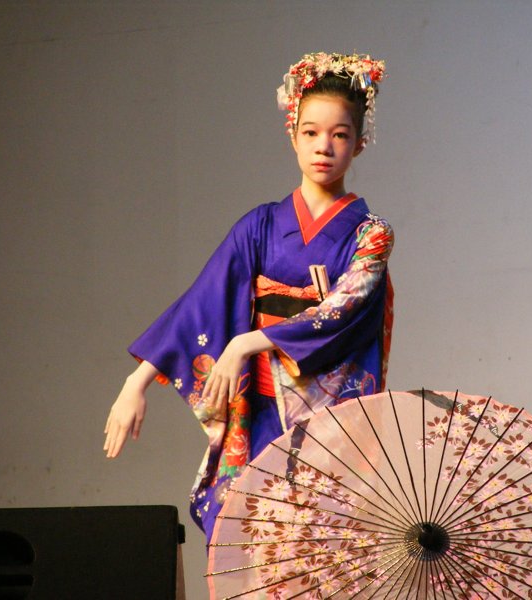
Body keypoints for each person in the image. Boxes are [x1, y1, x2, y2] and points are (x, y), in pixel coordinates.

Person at [102, 52, 393, 553]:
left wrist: (246, 342)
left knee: (317, 549)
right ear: (292, 135)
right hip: (258, 410)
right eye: (310, 132)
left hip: (327, 415)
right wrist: (136, 382)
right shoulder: (260, 226)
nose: (323, 146)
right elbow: (202, 301)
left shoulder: (371, 234)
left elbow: (341, 310)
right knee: (245, 543)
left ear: (360, 144)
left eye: (340, 135)